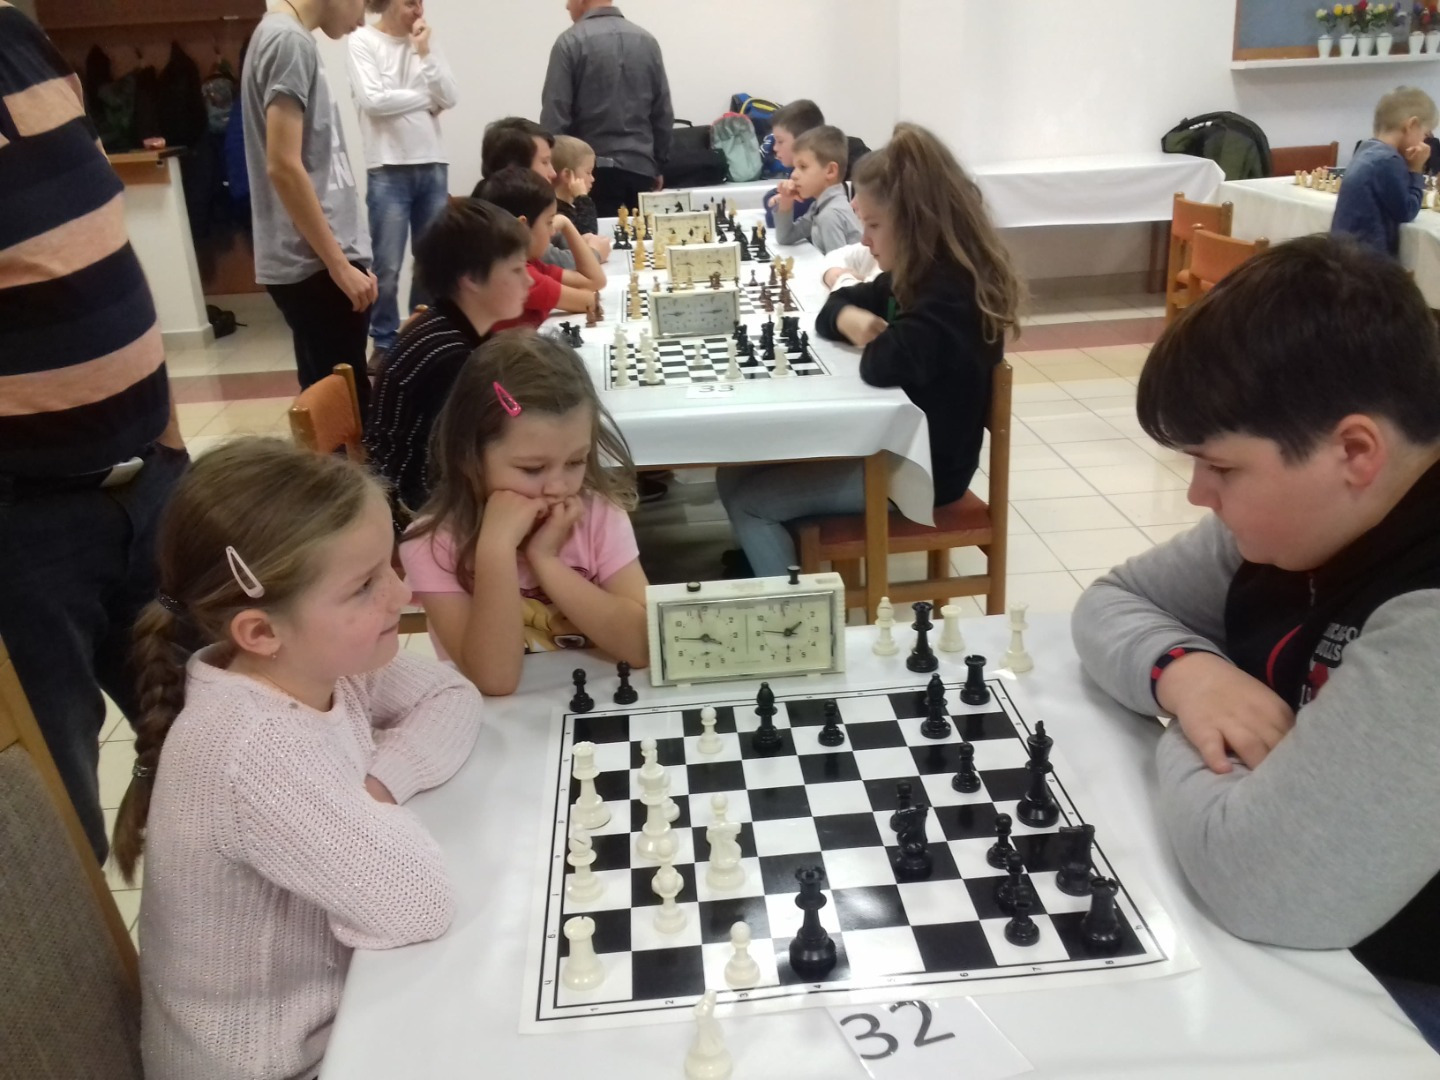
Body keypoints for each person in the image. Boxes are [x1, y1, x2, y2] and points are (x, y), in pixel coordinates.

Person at [1071, 235, 1440, 1049]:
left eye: (1222, 468)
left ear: (1354, 452)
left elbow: (1263, 883)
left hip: (1398, 984)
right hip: (1319, 927)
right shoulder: (1296, 523)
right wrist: (1190, 674)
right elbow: (1111, 603)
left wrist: (1187, 725)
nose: (1198, 494)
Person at [113, 438, 482, 1079]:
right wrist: (356, 820)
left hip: (341, 1014)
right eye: (364, 586)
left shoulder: (316, 665)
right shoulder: (252, 750)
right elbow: (417, 902)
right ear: (260, 631)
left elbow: (453, 697)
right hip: (275, 1065)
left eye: (389, 566)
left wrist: (372, 789)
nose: (402, 593)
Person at [0, 2, 190, 864]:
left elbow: (105, 241)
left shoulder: (18, 41)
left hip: (148, 479)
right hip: (26, 526)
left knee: (220, 738)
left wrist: (170, 440)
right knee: (53, 807)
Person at [716, 123, 1021, 578]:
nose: (864, 239)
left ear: (917, 223)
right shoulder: (915, 274)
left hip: (922, 472)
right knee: (731, 474)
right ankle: (769, 565)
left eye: (874, 225)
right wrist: (849, 318)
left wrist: (861, 324)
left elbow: (883, 365)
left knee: (751, 502)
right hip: (895, 449)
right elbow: (835, 306)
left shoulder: (950, 292)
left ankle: (798, 616)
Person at [401, 332, 649, 695]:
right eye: (532, 469)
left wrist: (546, 561)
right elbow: (494, 680)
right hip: (501, 724)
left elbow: (644, 645)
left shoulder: (599, 515)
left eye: (576, 462)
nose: (558, 487)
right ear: (469, 457)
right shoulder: (432, 544)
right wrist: (496, 549)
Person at [243, 0, 377, 414]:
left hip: (319, 262)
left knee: (335, 402)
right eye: (365, 5)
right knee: (345, 414)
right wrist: (338, 264)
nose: (361, 21)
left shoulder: (288, 37)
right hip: (315, 265)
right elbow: (283, 165)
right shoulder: (287, 40)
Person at [365, 198, 531, 514]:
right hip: (417, 508)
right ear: (471, 279)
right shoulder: (448, 356)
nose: (529, 280)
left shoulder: (458, 328)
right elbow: (479, 449)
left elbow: (504, 406)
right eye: (516, 270)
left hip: (431, 489)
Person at [347, 0, 458, 367]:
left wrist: (425, 53)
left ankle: (421, 334)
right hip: (388, 167)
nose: (419, 9)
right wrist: (426, 99)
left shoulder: (424, 40)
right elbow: (373, 101)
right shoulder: (362, 40)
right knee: (388, 265)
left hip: (433, 164)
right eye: (411, 2)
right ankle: (383, 340)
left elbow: (450, 96)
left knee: (430, 260)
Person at [540, 0, 674, 217]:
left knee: (593, 236)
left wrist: (553, 169)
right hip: (641, 169)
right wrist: (658, 165)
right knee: (641, 236)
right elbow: (662, 112)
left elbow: (555, 113)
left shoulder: (569, 42)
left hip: (589, 176)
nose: (567, 6)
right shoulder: (647, 41)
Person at [475, 165, 606, 331]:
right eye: (549, 222)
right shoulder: (520, 275)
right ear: (522, 226)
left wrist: (566, 224)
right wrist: (566, 225)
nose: (552, 231)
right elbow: (589, 301)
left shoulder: (531, 263)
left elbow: (595, 281)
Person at [1331, 85, 1437, 258]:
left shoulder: (1366, 149)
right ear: (1411, 125)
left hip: (1344, 252)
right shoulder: (1388, 160)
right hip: (1367, 259)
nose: (1424, 141)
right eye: (1425, 134)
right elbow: (1406, 211)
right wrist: (1416, 169)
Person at [773, 124, 863, 255]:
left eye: (803, 167)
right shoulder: (820, 207)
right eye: (795, 167)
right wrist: (786, 202)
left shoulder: (830, 215)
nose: (793, 175)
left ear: (830, 171)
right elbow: (785, 237)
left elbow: (837, 265)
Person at [763, 98, 823, 228]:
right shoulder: (794, 172)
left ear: (802, 141)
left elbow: (772, 220)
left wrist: (780, 200)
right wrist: (777, 198)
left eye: (780, 141)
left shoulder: (812, 180)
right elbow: (768, 197)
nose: (774, 148)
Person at [552, 133, 601, 238]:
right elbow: (588, 236)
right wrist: (582, 198)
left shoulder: (569, 206)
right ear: (567, 175)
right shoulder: (557, 212)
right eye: (588, 172)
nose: (592, 179)